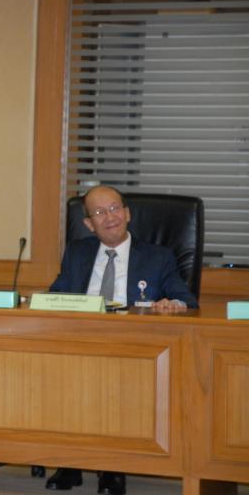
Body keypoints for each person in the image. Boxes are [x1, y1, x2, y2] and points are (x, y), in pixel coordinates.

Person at [43, 185, 198, 495]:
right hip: (80, 342)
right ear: (88, 224)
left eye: (114, 208)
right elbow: (56, 295)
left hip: (133, 347)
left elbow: (186, 299)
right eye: (99, 213)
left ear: (127, 213)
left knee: (109, 375)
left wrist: (172, 304)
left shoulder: (158, 257)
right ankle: (70, 459)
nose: (109, 217)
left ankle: (111, 468)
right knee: (61, 369)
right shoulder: (77, 252)